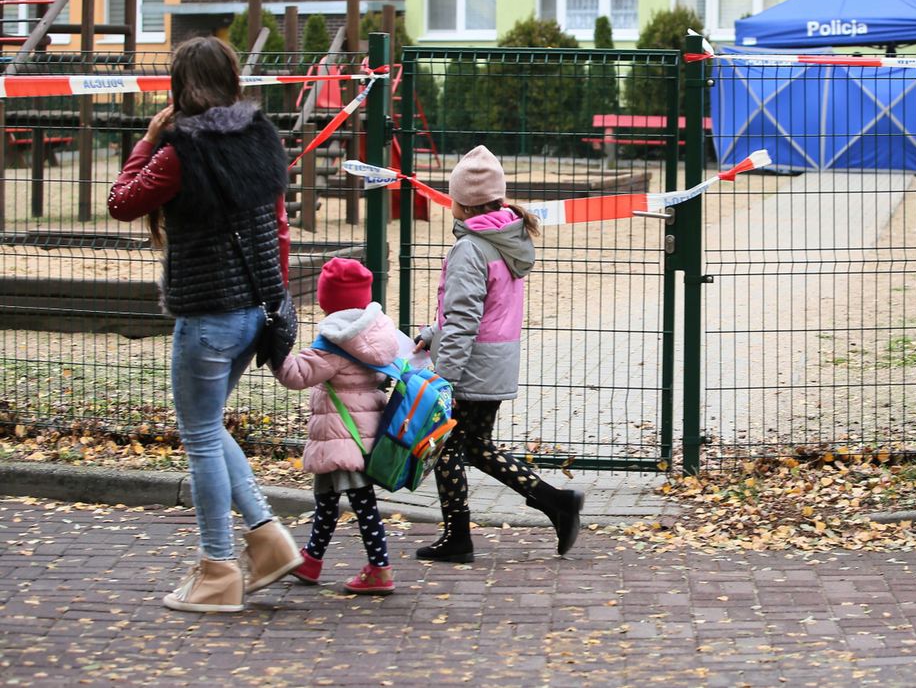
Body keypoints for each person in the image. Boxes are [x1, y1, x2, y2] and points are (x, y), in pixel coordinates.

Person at [108, 36, 302, 612]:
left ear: (179, 86)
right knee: (208, 426)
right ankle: (267, 541)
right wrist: (278, 296)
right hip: (257, 312)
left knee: (198, 436)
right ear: (231, 77)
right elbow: (279, 226)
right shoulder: (263, 137)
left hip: (209, 316)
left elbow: (122, 201)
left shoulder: (178, 153)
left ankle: (218, 569)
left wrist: (145, 140)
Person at [413, 145, 584, 563]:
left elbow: (466, 318)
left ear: (461, 202)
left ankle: (460, 537)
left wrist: (444, 377)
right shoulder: (506, 239)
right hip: (496, 359)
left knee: (449, 447)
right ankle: (554, 502)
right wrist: (432, 334)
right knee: (473, 445)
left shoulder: (471, 249)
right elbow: (480, 312)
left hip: (470, 366)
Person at [272, 257, 398, 595]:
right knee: (326, 497)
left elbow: (295, 375)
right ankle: (311, 559)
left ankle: (380, 567)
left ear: (327, 300)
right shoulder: (375, 333)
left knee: (361, 501)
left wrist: (274, 348)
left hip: (345, 433)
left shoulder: (334, 342)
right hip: (357, 428)